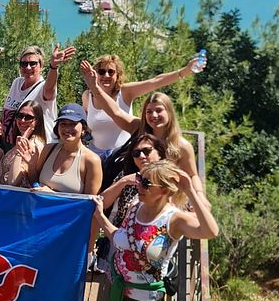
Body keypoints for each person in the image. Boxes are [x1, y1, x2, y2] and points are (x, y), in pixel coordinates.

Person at [92, 160, 218, 301]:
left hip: (142, 299)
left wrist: (190, 191)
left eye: (145, 183)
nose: (139, 186)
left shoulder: (174, 220)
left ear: (164, 189)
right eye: (139, 179)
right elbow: (120, 239)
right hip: (114, 284)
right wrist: (100, 217)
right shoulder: (135, 206)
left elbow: (210, 231)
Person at [79, 61, 208, 204]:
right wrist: (95, 87)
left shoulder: (181, 145)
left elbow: (192, 175)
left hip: (166, 202)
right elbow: (114, 112)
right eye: (149, 111)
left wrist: (200, 196)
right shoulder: (138, 129)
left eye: (159, 110)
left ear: (169, 113)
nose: (154, 115)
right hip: (134, 200)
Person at [81, 54, 205, 156]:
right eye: (102, 72)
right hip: (95, 155)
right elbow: (85, 123)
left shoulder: (125, 92)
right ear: (95, 74)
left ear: (117, 75)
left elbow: (154, 82)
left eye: (111, 72)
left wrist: (185, 71)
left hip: (122, 155)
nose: (106, 75)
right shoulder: (87, 96)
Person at [96, 134, 167, 273]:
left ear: (159, 153)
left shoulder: (167, 181)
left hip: (150, 246)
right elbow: (102, 202)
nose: (141, 156)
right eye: (136, 153)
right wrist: (123, 182)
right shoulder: (127, 175)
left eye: (147, 151)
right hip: (119, 239)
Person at [1, 44, 77, 147]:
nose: (28, 67)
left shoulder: (43, 88)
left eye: (33, 64)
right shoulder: (17, 82)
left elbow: (49, 89)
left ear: (41, 66)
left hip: (37, 147)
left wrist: (53, 67)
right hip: (12, 143)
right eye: (24, 64)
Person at [34, 103, 102, 195]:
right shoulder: (48, 150)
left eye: (72, 124)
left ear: (84, 128)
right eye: (63, 124)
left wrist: (53, 195)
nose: (67, 129)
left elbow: (89, 203)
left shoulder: (92, 160)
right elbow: (33, 181)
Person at [0, 101, 47, 187]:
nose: (23, 120)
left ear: (37, 121)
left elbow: (13, 181)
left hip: (18, 197)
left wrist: (19, 151)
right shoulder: (23, 139)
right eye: (20, 116)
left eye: (28, 117)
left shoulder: (33, 145)